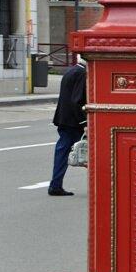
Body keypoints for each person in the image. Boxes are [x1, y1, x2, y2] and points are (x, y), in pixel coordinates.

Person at [48, 57, 87, 196]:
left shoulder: (70, 71)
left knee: (62, 152)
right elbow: (77, 101)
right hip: (74, 122)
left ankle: (56, 184)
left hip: (64, 118)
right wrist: (85, 123)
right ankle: (101, 184)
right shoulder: (82, 74)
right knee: (89, 152)